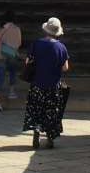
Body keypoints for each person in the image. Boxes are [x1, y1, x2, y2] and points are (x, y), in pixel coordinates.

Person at [23, 17, 70, 149]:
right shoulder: (61, 47)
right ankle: (50, 138)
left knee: (37, 109)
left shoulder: (36, 44)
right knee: (51, 112)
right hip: (53, 86)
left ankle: (36, 132)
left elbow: (28, 62)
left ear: (46, 30)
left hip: (37, 83)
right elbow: (65, 67)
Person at [0, 10, 22, 100]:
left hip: (1, 55)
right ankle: (11, 92)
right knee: (13, 73)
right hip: (12, 54)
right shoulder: (17, 29)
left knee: (0, 75)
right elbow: (19, 43)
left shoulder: (0, 29)